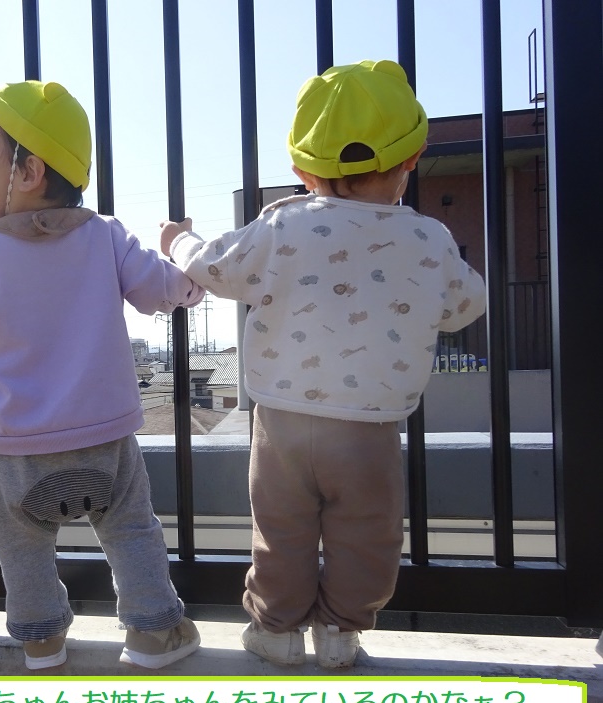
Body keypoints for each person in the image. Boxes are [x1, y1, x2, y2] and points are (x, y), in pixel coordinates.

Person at [160, 60, 487, 668]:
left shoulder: (284, 224)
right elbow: (468, 304)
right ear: (413, 157)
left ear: (301, 170)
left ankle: (276, 629)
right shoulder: (430, 238)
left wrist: (176, 239)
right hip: (371, 425)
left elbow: (212, 266)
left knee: (280, 529)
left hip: (281, 422)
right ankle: (340, 631)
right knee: (366, 533)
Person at [0, 80, 205, 670]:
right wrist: (187, 264)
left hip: (15, 451)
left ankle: (41, 639)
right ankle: (154, 631)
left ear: (28, 171)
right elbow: (164, 290)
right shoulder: (106, 236)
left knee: (21, 547)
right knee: (131, 529)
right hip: (104, 441)